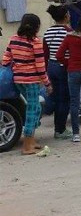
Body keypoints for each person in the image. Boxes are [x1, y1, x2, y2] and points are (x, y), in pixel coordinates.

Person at [3, 14, 52, 154]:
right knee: (32, 110)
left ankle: (32, 141)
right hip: (31, 82)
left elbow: (6, 59)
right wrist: (47, 84)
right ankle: (27, 146)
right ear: (36, 27)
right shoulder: (35, 42)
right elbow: (41, 67)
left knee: (35, 108)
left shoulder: (13, 39)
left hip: (18, 80)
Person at [43, 4, 72, 140]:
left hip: (51, 66)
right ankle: (60, 130)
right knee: (64, 99)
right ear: (66, 16)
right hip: (63, 67)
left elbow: (45, 53)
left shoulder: (48, 32)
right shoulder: (69, 32)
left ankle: (58, 128)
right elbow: (71, 52)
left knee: (55, 98)